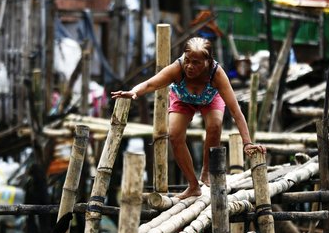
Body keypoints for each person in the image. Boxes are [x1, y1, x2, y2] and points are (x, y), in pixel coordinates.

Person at [111, 37, 265, 199]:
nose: (190, 66)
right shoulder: (177, 69)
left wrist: (247, 142)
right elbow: (151, 84)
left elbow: (236, 111)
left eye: (196, 62)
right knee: (174, 134)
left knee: (215, 125)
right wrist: (134, 91)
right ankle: (193, 185)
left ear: (208, 62)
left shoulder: (217, 74)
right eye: (187, 60)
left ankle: (206, 172)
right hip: (183, 99)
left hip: (209, 99)